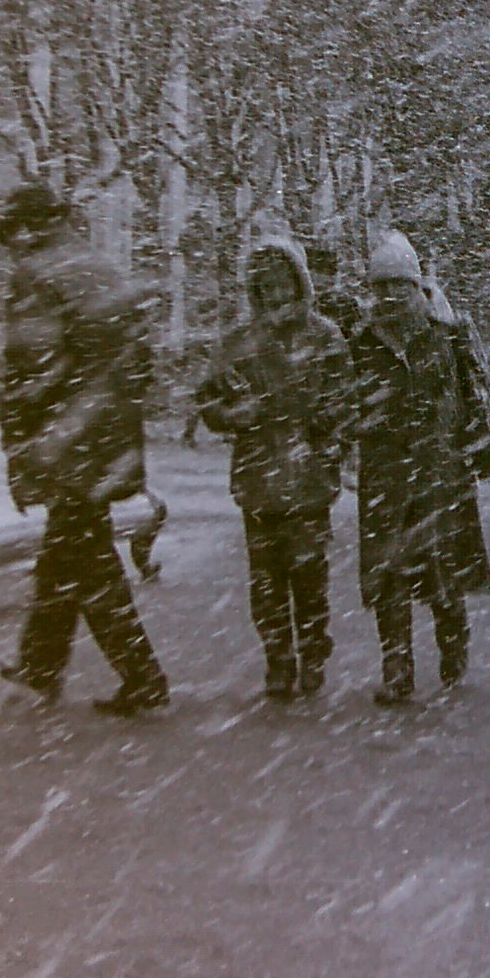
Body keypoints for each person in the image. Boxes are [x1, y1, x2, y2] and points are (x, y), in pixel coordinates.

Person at [0, 182, 171, 718]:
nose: (11, 249)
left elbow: (29, 370)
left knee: (88, 563)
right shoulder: (99, 268)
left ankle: (143, 677)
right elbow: (138, 361)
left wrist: (19, 445)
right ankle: (40, 663)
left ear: (27, 230)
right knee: (64, 552)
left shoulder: (36, 277)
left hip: (63, 441)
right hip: (105, 438)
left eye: (13, 236)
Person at [198, 237, 354, 700]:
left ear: (298, 283)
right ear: (256, 291)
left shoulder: (325, 336)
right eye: (265, 287)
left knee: (308, 577)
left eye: (283, 284)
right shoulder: (238, 342)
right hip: (258, 481)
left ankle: (312, 652)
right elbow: (209, 399)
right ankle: (279, 659)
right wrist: (233, 415)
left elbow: (346, 394)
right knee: (266, 581)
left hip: (308, 480)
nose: (276, 295)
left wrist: (325, 423)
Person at [350, 231, 483, 703]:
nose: (389, 296)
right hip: (384, 474)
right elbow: (348, 404)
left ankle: (453, 643)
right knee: (388, 576)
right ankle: (397, 666)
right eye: (380, 286)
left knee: (441, 570)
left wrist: (476, 445)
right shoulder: (361, 341)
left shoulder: (445, 335)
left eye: (398, 286)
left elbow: (471, 396)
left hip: (437, 472)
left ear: (417, 287)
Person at [424, 274, 490, 598]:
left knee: (448, 571)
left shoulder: (452, 341)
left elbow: (475, 397)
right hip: (434, 466)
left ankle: (453, 638)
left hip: (446, 465)